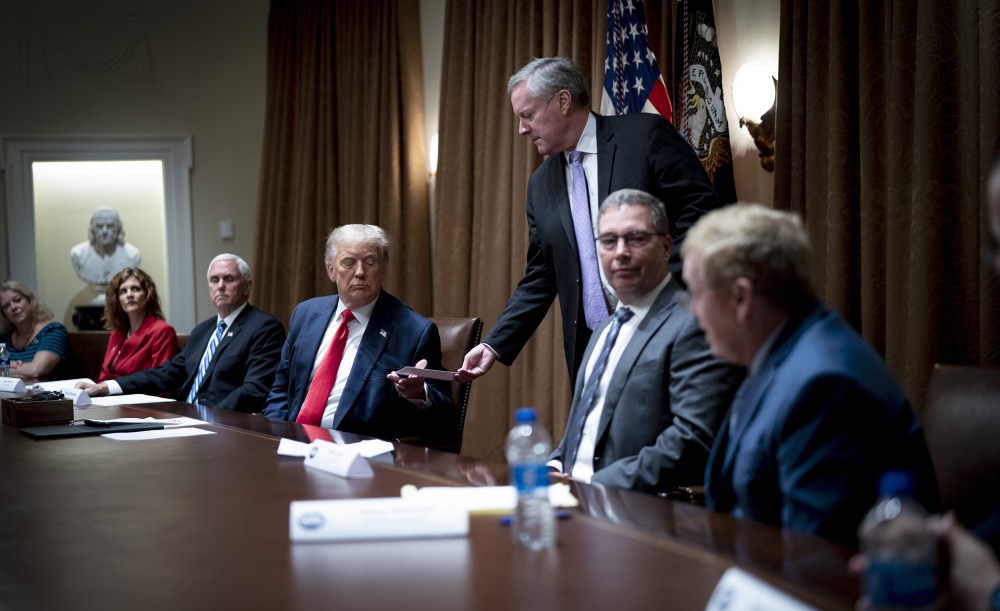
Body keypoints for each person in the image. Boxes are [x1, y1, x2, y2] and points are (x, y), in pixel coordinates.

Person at [682, 203, 939, 547]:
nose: (692, 311)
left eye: (696, 294)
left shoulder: (824, 386)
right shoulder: (782, 350)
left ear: (740, 297)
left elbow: (811, 561)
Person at [458, 56, 721, 387]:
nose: (522, 129)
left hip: (668, 325)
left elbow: (702, 212)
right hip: (593, 349)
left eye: (528, 115)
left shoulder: (644, 137)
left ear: (563, 101)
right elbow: (541, 274)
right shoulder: (540, 185)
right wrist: (494, 345)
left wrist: (654, 286)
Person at [547, 189, 740, 494]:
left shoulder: (694, 324)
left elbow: (693, 438)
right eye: (608, 241)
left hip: (636, 511)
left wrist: (592, 485)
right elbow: (583, 430)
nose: (621, 252)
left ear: (665, 247)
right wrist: (554, 467)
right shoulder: (602, 330)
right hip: (573, 500)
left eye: (636, 238)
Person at [262, 225, 455, 444]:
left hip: (357, 454)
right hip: (291, 444)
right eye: (349, 262)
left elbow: (445, 412)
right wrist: (272, 437)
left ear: (383, 269)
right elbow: (281, 390)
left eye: (370, 262)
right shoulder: (306, 314)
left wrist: (420, 394)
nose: (360, 272)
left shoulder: (414, 330)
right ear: (331, 270)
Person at [77, 254, 285, 412]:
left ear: (247, 287)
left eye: (228, 279)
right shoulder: (202, 331)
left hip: (222, 424)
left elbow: (254, 390)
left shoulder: (264, 328)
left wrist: (207, 417)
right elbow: (165, 373)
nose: (220, 286)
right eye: (214, 280)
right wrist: (107, 387)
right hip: (182, 419)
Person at [97, 267, 178, 383]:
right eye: (123, 291)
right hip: (109, 398)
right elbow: (103, 377)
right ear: (117, 300)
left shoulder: (162, 331)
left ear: (147, 295)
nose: (129, 295)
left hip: (142, 399)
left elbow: (161, 382)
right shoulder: (117, 333)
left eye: (135, 289)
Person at [0, 281, 69, 378]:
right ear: (4, 313)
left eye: (17, 300)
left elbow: (35, 370)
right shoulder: (4, 339)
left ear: (30, 301)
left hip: (47, 392)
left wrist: (5, 367)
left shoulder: (53, 330)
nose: (13, 307)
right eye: (6, 306)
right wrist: (12, 368)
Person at [69, 207, 142, 287]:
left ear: (118, 227)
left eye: (110, 226)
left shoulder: (132, 255)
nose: (104, 231)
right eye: (99, 226)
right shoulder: (78, 254)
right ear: (92, 228)